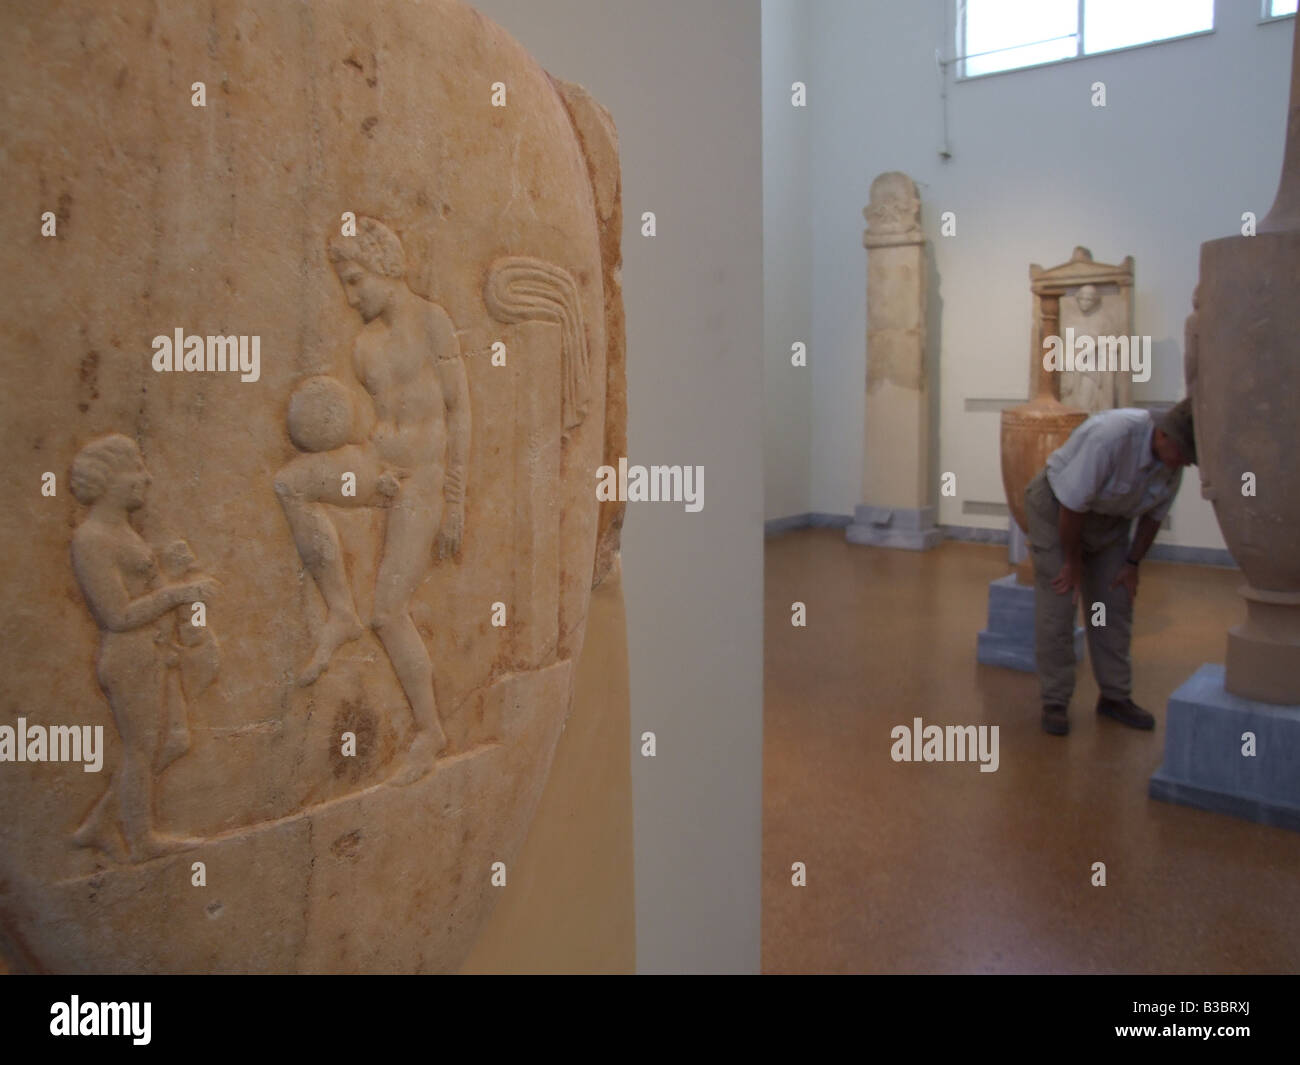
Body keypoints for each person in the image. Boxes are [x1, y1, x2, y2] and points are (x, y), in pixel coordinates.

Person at [273, 217, 470, 778]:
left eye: (356, 280)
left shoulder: (434, 324)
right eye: (344, 283)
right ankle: (339, 610)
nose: (349, 295)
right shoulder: (365, 347)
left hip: (424, 484)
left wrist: (455, 501)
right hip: (381, 469)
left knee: (389, 611)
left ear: (387, 269)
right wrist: (370, 467)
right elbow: (382, 421)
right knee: (292, 483)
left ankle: (430, 731)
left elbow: (459, 412)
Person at [69, 434, 217, 861]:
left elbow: (144, 589)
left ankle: (100, 823)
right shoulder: (92, 538)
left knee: (174, 740)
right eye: (135, 469)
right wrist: (178, 594)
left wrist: (175, 578)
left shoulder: (122, 531)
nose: (145, 478)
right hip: (129, 656)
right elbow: (116, 615)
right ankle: (142, 839)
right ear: (108, 480)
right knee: (141, 749)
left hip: (152, 653)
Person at [1026, 399, 1197, 736]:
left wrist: (1132, 564)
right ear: (1162, 435)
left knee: (1111, 603)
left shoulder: (1173, 463)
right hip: (1056, 511)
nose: (1186, 463)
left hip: (1109, 523)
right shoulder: (1111, 437)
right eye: (1184, 453)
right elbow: (1072, 506)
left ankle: (1115, 697)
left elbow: (1153, 517)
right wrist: (1073, 563)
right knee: (1060, 601)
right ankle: (1055, 700)